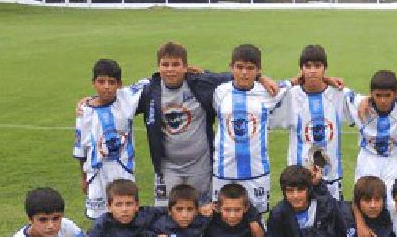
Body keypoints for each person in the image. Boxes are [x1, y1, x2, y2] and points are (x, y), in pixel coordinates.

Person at [75, 42, 279, 207]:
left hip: (200, 164)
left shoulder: (201, 82)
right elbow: (116, 95)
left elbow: (236, 74)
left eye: (175, 64)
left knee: (203, 212)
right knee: (166, 214)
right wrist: (90, 101)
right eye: (165, 64)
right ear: (158, 66)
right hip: (167, 167)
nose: (170, 69)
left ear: (185, 66)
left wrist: (260, 77)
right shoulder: (148, 90)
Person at [212, 44, 290, 214]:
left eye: (250, 68)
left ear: (258, 70)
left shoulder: (269, 91)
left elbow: (300, 80)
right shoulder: (219, 91)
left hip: (257, 172)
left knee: (258, 220)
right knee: (221, 217)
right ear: (231, 67)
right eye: (239, 67)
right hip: (223, 171)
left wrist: (329, 80)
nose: (244, 73)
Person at [269, 44, 354, 200]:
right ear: (301, 69)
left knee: (331, 221)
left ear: (325, 68)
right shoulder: (291, 96)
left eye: (317, 66)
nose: (312, 70)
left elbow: (367, 103)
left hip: (331, 178)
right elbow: (265, 96)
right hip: (299, 181)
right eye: (307, 66)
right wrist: (291, 82)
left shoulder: (338, 94)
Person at [73, 58, 146, 219]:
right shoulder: (84, 111)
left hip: (123, 169)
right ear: (93, 83)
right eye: (101, 82)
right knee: (100, 218)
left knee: (126, 214)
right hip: (97, 171)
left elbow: (154, 80)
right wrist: (83, 177)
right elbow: (82, 148)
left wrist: (186, 69)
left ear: (119, 84)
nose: (106, 87)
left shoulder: (127, 97)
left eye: (111, 82)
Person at [348, 70, 397, 201]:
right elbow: (338, 90)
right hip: (367, 158)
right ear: (371, 94)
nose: (383, 100)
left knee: (390, 202)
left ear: (395, 94)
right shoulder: (358, 104)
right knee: (363, 199)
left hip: (393, 160)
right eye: (378, 95)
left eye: (387, 95)